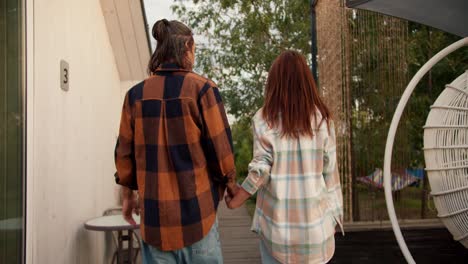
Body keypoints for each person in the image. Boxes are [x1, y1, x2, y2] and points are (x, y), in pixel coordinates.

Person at [114, 19, 238, 264]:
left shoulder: (135, 96)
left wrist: (127, 196)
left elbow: (124, 158)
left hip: (154, 223)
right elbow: (221, 155)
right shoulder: (203, 90)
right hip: (198, 219)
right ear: (188, 46)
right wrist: (231, 186)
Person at [225, 50, 344, 264]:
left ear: (274, 82)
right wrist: (334, 218)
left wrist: (236, 200)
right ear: (306, 81)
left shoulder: (264, 119)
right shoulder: (323, 120)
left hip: (276, 234)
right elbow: (331, 176)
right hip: (316, 234)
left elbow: (260, 170)